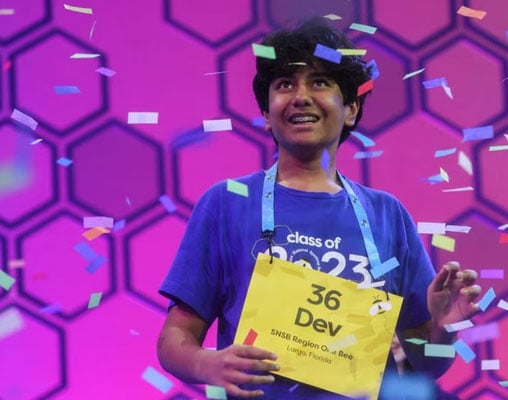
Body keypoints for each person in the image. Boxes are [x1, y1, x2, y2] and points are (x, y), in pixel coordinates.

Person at [157, 17, 482, 399]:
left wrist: (443, 328)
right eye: (284, 85)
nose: (300, 96)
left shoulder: (387, 215)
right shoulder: (228, 203)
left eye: (320, 82)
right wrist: (206, 364)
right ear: (266, 114)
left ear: (351, 110)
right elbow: (174, 338)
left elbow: (429, 363)